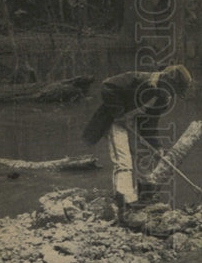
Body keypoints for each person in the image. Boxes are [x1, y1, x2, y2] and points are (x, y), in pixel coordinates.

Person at [82, 65, 192, 207]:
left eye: (175, 92)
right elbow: (107, 86)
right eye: (172, 88)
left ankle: (144, 195)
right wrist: (119, 113)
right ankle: (124, 201)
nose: (171, 93)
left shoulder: (163, 99)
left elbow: (150, 124)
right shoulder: (138, 79)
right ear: (165, 80)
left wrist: (156, 145)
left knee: (145, 155)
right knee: (123, 159)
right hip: (115, 120)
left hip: (133, 123)